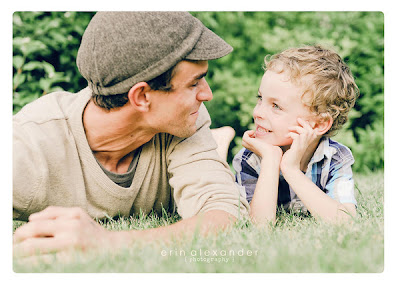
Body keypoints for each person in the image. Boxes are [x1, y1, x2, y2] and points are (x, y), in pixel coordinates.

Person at [13, 12, 249, 257]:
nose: (206, 94)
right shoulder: (31, 144)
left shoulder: (185, 121)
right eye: (194, 83)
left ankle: (217, 145)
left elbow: (225, 216)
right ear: (141, 97)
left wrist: (108, 242)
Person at [233, 45, 359, 224]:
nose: (258, 112)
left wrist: (291, 170)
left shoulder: (335, 158)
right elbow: (259, 226)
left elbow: (345, 221)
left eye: (276, 106)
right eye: (260, 98)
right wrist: (270, 158)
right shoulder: (250, 159)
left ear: (318, 124)